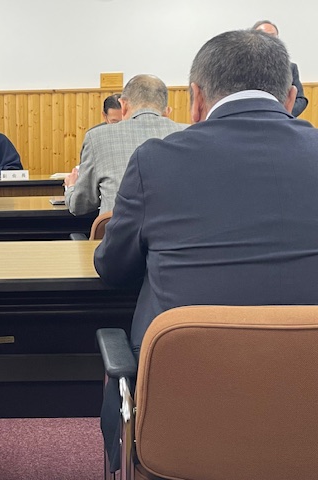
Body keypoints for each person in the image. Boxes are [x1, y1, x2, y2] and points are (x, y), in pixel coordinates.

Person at [96, 29, 318, 473]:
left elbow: (113, 267)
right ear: (292, 96)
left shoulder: (154, 161)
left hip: (184, 415)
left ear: (195, 98)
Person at [64, 75, 186, 216]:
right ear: (166, 109)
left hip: (119, 229)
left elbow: (80, 205)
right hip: (178, 228)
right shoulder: (188, 133)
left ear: (123, 105)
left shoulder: (96, 137)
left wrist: (71, 187)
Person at [253, 20, 308, 117]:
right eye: (263, 36)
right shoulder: (242, 67)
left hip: (282, 119)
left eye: (273, 37)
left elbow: (300, 100)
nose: (269, 41)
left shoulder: (290, 68)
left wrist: (282, 113)